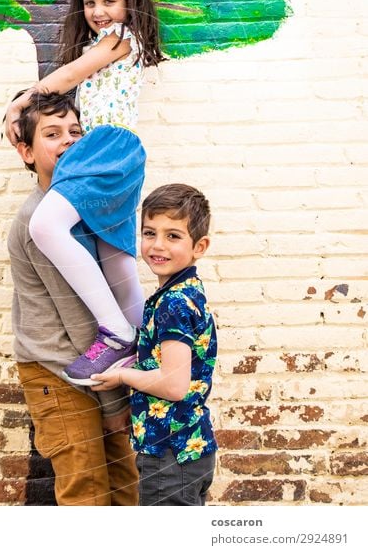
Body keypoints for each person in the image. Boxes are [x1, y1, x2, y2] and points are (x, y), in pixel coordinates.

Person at [5, 0, 164, 384]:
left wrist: (22, 102)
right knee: (114, 258)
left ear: (128, 4)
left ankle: (114, 332)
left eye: (109, 2)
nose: (97, 11)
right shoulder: (104, 31)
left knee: (47, 224)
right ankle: (146, 349)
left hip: (107, 148)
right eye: (91, 4)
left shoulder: (119, 39)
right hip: (107, 152)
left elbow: (71, 75)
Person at [8, 90, 139, 506]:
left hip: (99, 368)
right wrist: (115, 400)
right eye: (52, 133)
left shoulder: (85, 209)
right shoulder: (40, 221)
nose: (68, 140)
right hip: (59, 370)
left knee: (126, 485)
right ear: (26, 153)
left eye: (75, 131)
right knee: (88, 495)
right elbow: (81, 319)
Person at [92, 184, 218, 507]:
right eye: (150, 233)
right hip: (187, 450)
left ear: (199, 246)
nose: (157, 245)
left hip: (170, 457)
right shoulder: (185, 291)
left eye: (173, 236)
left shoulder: (173, 303)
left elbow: (173, 384)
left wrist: (122, 377)